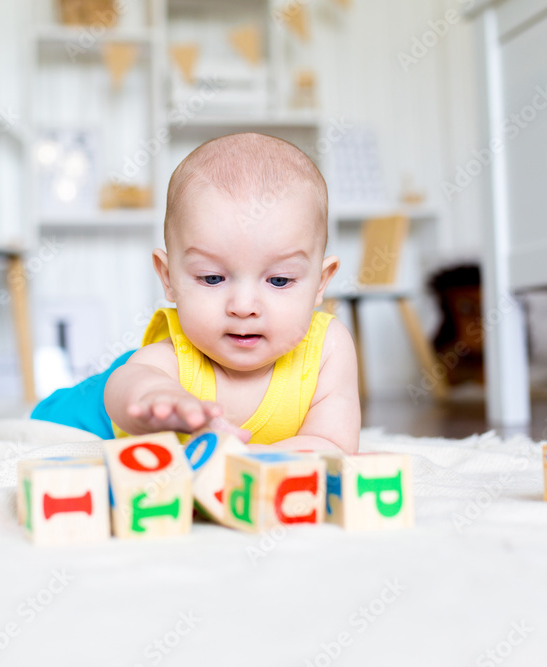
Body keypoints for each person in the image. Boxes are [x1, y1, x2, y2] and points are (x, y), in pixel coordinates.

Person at [32, 133, 360, 453]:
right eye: (212, 278)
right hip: (87, 411)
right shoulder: (172, 356)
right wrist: (159, 399)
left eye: (279, 281)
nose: (244, 307)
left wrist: (248, 462)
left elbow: (332, 444)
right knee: (48, 420)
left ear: (320, 282)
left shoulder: (328, 348)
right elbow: (125, 387)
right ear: (169, 277)